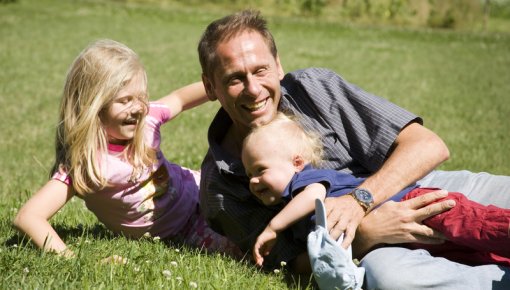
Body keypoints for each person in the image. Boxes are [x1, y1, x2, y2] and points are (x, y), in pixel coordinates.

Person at [197, 9, 510, 289]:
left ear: (277, 66)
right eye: (235, 79)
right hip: (377, 248)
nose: (253, 89)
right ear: (210, 87)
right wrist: (365, 234)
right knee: (394, 280)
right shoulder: (220, 189)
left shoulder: (315, 89)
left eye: (260, 70)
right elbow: (286, 265)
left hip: (416, 188)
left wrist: (359, 201)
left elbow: (427, 146)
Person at [13, 39, 240, 259]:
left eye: (141, 98)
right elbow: (28, 217)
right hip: (185, 229)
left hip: (201, 186)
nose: (137, 109)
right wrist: (70, 258)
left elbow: (179, 99)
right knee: (245, 241)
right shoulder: (88, 165)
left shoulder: (147, 120)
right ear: (94, 106)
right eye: (124, 101)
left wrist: (222, 86)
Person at [242, 112, 510, 269]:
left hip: (416, 205)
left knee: (477, 226)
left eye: (260, 170)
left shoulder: (304, 182)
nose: (253, 181)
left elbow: (314, 196)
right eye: (249, 175)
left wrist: (273, 227)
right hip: (408, 234)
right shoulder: (293, 209)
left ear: (297, 163)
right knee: (472, 254)